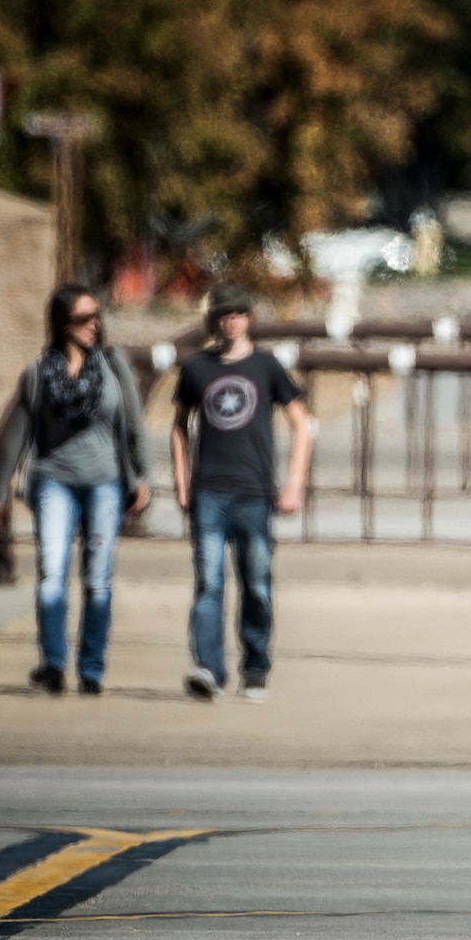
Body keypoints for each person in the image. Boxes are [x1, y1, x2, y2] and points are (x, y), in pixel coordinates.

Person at [0, 285, 152, 695]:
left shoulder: (114, 365)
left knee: (97, 580)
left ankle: (92, 668)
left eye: (97, 316)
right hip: (54, 481)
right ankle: (53, 663)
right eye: (83, 318)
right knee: (51, 576)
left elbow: (133, 424)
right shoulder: (39, 371)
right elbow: (14, 434)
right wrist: (0, 492)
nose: (93, 325)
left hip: (105, 484)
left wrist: (143, 476)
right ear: (62, 323)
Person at [170, 285, 312, 703]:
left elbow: (302, 423)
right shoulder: (197, 368)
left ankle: (255, 667)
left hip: (254, 494)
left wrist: (294, 484)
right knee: (208, 585)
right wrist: (182, 481)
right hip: (209, 493)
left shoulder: (266, 366)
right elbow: (179, 426)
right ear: (213, 319)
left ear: (249, 317)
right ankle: (209, 669)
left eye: (238, 313)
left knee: (257, 585)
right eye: (224, 313)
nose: (231, 320)